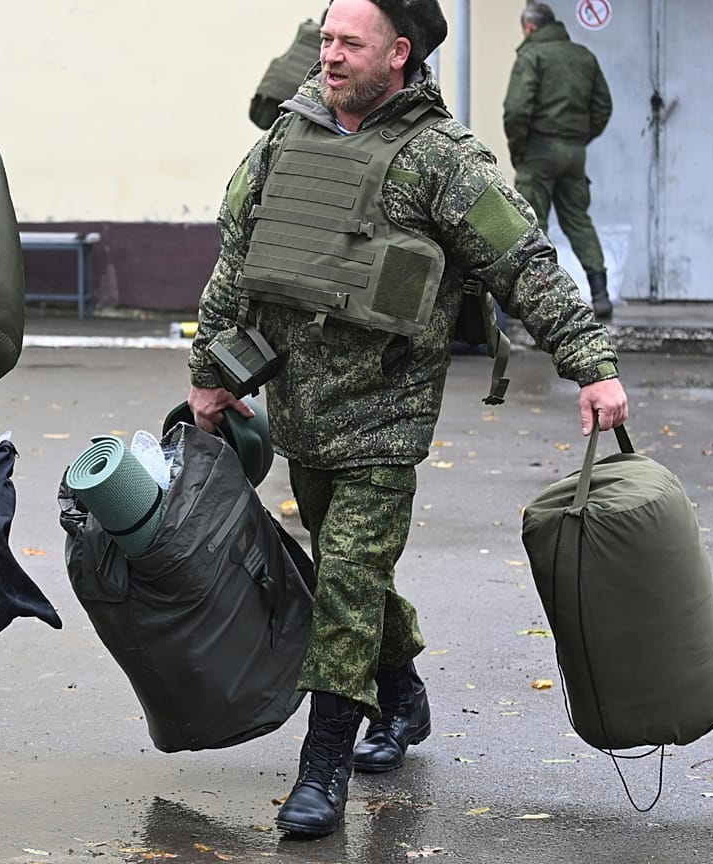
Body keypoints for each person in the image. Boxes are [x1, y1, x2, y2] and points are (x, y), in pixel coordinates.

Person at [186, 0, 628, 839]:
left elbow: (523, 262)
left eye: (349, 43)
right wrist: (210, 374)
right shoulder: (288, 135)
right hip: (297, 407)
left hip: (385, 416)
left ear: (398, 53)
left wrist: (592, 363)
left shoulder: (442, 157)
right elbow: (235, 254)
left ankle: (321, 769)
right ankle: (402, 694)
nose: (329, 55)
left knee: (349, 577)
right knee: (346, 571)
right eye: (326, 39)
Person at [503, 2, 614, 319]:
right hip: (573, 154)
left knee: (531, 225)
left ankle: (538, 297)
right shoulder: (584, 56)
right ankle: (601, 294)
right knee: (578, 220)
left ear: (529, 27)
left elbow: (516, 110)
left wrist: (519, 150)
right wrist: (579, 138)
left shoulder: (531, 56)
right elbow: (603, 106)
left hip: (538, 152)